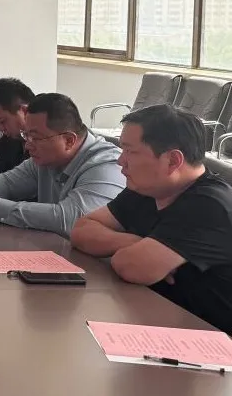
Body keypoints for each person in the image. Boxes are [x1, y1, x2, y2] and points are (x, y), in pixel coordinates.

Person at [71, 105, 232, 333]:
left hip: (210, 339)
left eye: (130, 152)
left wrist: (127, 251)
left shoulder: (210, 205)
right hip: (156, 318)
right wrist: (136, 242)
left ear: (172, 161)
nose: (120, 161)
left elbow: (131, 266)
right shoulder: (148, 188)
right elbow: (81, 230)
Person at [0, 93, 125, 237]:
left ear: (69, 140)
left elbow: (70, 219)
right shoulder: (46, 159)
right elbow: (7, 182)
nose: (28, 145)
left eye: (35, 138)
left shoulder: (107, 166)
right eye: (26, 135)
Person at [0, 78, 34, 176]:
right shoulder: (8, 140)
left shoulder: (45, 145)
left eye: (2, 121)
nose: (0, 128)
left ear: (24, 111)